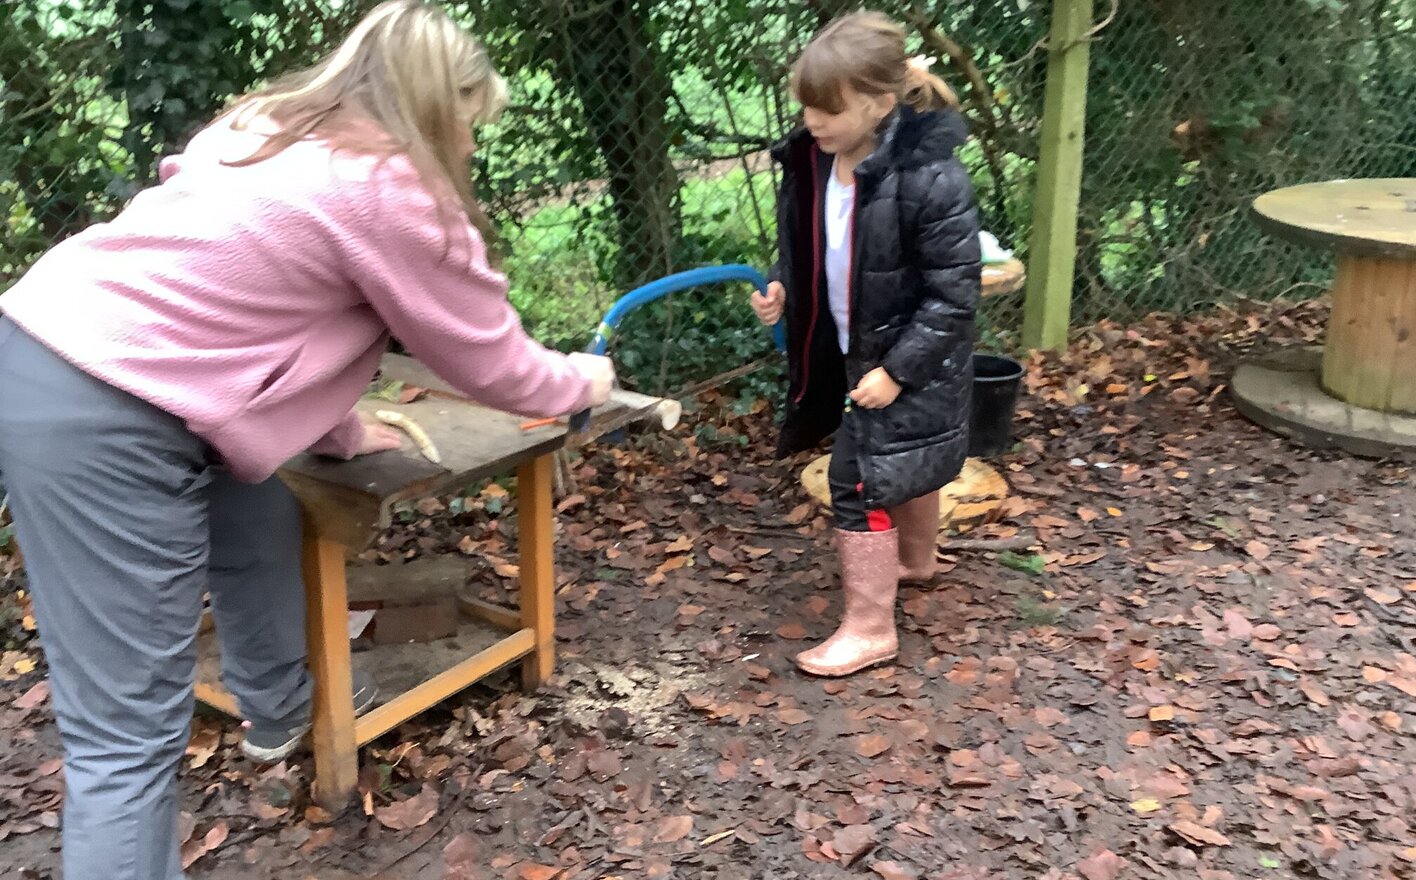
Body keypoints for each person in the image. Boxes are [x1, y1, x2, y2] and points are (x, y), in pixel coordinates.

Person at [0, 3, 613, 877]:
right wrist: (580, 383)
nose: (471, 146)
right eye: (470, 124)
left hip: (64, 350)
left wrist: (334, 425)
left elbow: (253, 291)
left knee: (258, 506)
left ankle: (281, 704)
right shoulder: (394, 187)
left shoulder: (265, 126)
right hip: (103, 405)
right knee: (125, 738)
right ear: (441, 105)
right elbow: (494, 364)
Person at [750, 11, 980, 678]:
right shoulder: (815, 162)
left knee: (858, 479)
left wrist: (899, 372)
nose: (812, 121)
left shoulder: (929, 178)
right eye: (807, 107)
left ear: (881, 104)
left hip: (914, 361)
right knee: (898, 463)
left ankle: (871, 628)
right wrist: (783, 286)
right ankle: (917, 561)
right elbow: (811, 245)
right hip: (853, 352)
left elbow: (953, 295)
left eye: (828, 109)